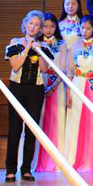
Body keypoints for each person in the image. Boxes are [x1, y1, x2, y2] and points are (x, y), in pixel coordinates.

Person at [4, 10, 53, 182]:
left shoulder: (43, 46)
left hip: (36, 90)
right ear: (25, 24)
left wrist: (38, 51)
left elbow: (45, 69)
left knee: (32, 130)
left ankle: (26, 169)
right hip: (17, 88)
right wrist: (27, 47)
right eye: (31, 23)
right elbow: (15, 66)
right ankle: (10, 170)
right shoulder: (15, 43)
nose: (33, 27)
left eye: (37, 25)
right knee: (15, 129)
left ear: (40, 29)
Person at [63, 15, 93, 171]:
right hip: (78, 85)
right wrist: (68, 93)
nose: (84, 31)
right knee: (75, 120)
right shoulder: (74, 46)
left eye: (88, 28)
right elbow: (70, 72)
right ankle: (74, 157)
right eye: (82, 27)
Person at [35, 13, 67, 173]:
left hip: (57, 87)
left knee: (57, 122)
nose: (48, 30)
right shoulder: (36, 43)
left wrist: (53, 87)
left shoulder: (62, 44)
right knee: (40, 121)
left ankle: (56, 160)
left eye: (52, 26)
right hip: (39, 84)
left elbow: (64, 69)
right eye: (45, 26)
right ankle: (37, 159)